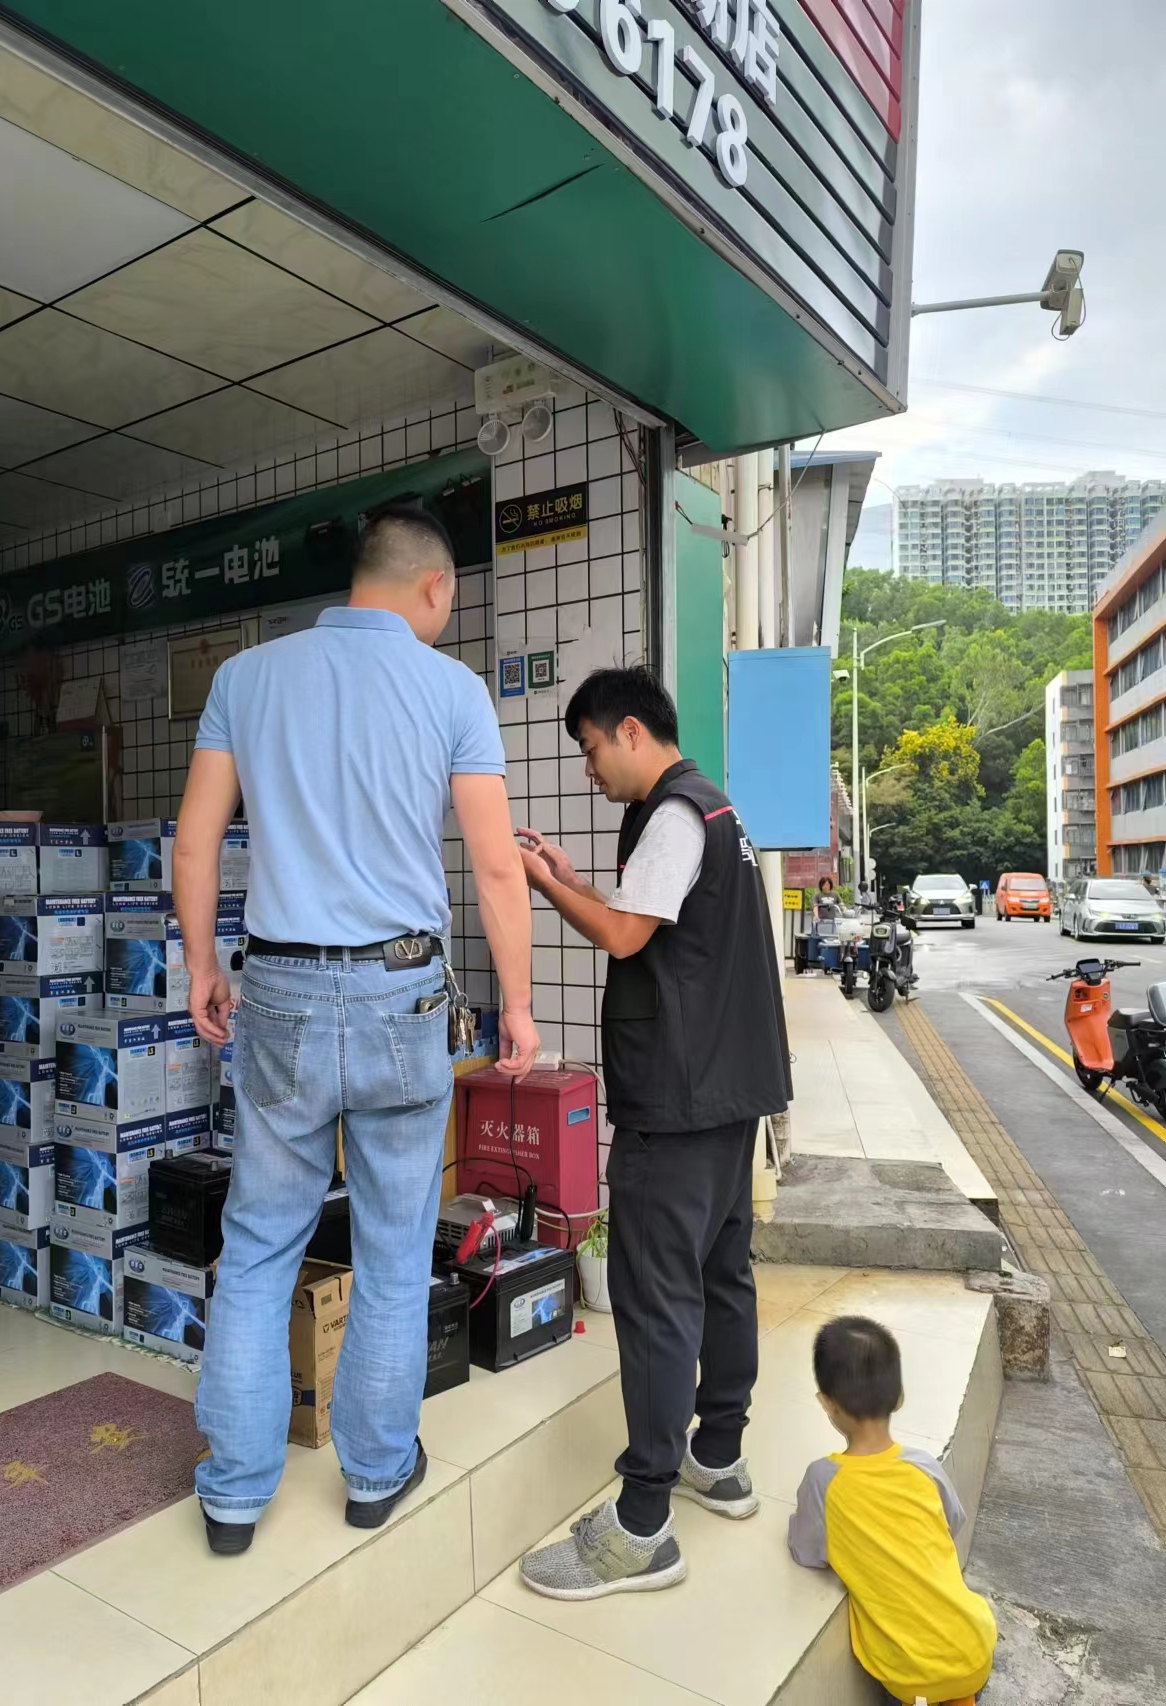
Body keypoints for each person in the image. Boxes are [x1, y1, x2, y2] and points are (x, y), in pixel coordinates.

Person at [173, 505, 538, 1555]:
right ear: (433, 587)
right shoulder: (452, 691)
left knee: (257, 1245)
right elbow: (495, 865)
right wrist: (517, 1005)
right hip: (399, 994)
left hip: (278, 990)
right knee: (391, 1245)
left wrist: (202, 966)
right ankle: (375, 1473)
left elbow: (195, 843)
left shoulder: (246, 677)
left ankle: (232, 1495)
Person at [513, 666, 790, 1600]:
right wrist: (571, 878)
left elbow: (627, 937)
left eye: (591, 748)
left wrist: (541, 887)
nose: (588, 769)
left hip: (676, 1102)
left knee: (656, 1299)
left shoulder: (673, 814)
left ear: (631, 731)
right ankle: (720, 1455)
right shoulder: (715, 812)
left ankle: (641, 1526)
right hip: (729, 1093)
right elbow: (657, 919)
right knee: (721, 1277)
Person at [788, 1317, 997, 1706]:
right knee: (956, 1685)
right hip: (975, 1644)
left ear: (826, 1403)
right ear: (900, 1397)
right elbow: (951, 1522)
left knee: (922, 1690)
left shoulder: (822, 1480)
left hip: (910, 1675)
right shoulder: (923, 1466)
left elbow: (808, 1552)